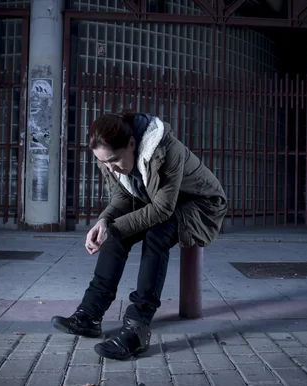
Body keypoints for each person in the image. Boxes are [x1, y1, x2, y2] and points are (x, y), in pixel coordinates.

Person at [51, 109, 227, 360]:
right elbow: (123, 195)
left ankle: (137, 328)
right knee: (115, 233)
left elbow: (162, 210)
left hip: (201, 204)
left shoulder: (166, 150)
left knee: (158, 233)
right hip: (159, 201)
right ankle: (89, 315)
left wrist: (113, 226)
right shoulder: (111, 158)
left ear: (132, 143)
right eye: (105, 163)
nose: (111, 168)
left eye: (114, 160)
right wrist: (103, 222)